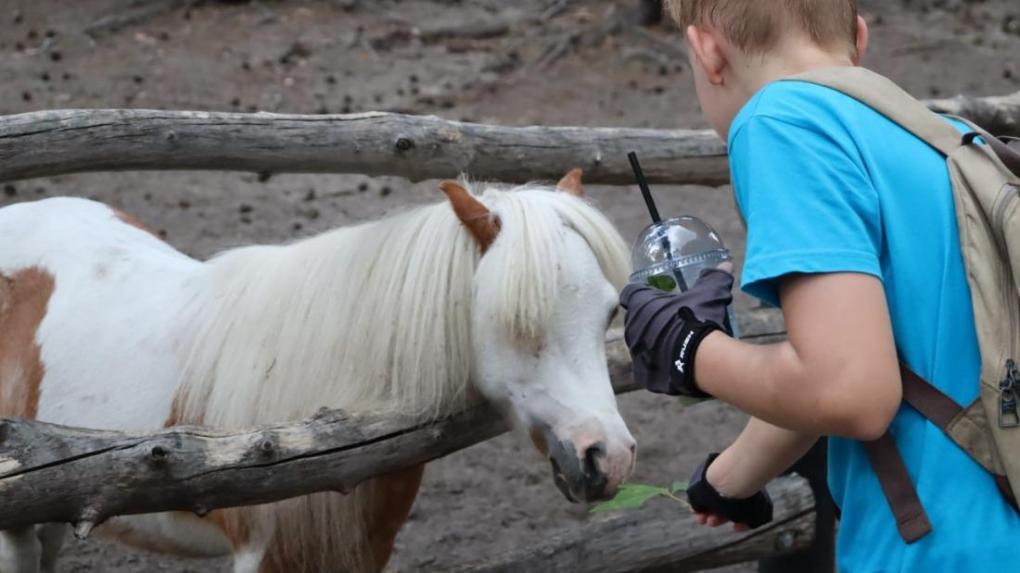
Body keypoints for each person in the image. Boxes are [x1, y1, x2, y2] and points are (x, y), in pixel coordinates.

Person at [619, 1, 1020, 570]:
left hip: (934, 552)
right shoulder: (938, 138)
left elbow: (848, 390)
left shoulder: (782, 124)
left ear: (708, 52)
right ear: (858, 38)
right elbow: (884, 359)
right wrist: (732, 477)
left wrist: (688, 349)